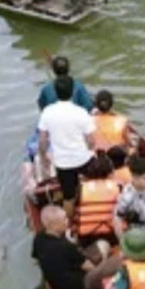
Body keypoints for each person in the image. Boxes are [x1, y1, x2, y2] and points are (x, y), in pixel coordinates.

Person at [32, 205, 123, 289]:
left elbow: (36, 256)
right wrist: (104, 263)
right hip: (80, 288)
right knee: (115, 258)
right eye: (64, 219)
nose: (67, 221)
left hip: (64, 287)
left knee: (102, 246)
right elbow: (91, 267)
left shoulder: (39, 239)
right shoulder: (65, 247)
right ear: (53, 225)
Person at [37, 76, 96, 219]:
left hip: (63, 163)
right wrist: (91, 150)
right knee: (91, 183)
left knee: (68, 197)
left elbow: (43, 139)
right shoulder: (81, 112)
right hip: (84, 160)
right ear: (72, 91)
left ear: (56, 92)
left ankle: (69, 226)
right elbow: (91, 141)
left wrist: (44, 156)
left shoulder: (48, 112)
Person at [76, 155, 121, 239]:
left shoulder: (80, 188)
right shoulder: (119, 187)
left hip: (85, 236)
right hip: (112, 235)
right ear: (110, 174)